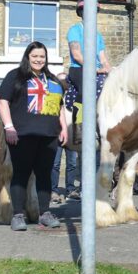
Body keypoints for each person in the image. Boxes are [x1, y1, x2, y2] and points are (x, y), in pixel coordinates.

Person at [0, 42, 67, 231]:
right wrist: (9, 127)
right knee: (21, 174)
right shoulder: (16, 76)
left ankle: (45, 213)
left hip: (49, 135)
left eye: (42, 56)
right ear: (28, 57)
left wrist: (64, 128)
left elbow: (59, 106)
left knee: (45, 175)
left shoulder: (51, 79)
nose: (38, 60)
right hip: (22, 134)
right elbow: (3, 102)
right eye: (35, 56)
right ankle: (18, 215)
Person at [66, 0, 112, 130]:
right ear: (81, 13)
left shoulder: (98, 36)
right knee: (88, 88)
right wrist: (94, 69)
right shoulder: (75, 30)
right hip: (79, 69)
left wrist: (110, 70)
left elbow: (103, 59)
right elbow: (77, 55)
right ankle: (78, 127)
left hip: (97, 69)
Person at [51, 72, 79, 202]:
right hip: (57, 134)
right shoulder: (54, 95)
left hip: (71, 134)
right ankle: (53, 190)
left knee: (72, 164)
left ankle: (70, 190)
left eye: (66, 81)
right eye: (61, 80)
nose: (65, 83)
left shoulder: (74, 96)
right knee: (55, 164)